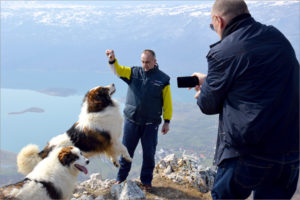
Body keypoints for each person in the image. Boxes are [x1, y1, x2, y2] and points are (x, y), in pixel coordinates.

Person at [192, 0, 299, 199]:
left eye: (212, 25)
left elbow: (208, 104)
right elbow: (258, 81)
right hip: (290, 149)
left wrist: (204, 88)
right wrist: (212, 81)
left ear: (218, 20)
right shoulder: (277, 36)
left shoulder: (222, 51)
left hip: (248, 151)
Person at [105, 49, 172, 190]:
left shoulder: (163, 79)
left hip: (151, 124)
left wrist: (167, 121)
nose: (145, 65)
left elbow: (167, 102)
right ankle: (120, 178)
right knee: (126, 152)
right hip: (131, 121)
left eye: (147, 62)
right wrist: (112, 60)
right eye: (142, 62)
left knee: (149, 154)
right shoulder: (134, 73)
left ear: (155, 61)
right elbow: (118, 71)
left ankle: (146, 182)